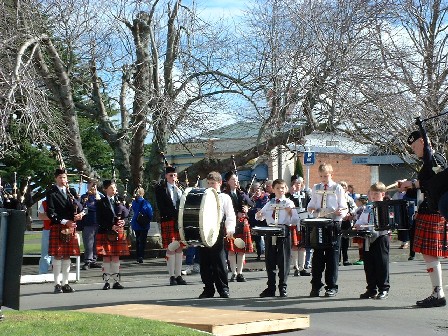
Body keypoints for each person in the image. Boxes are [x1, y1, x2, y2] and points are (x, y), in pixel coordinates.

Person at [396, 130, 448, 308]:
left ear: (421, 142)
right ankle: (437, 291)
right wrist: (410, 185)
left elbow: (437, 181)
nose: (413, 150)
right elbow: (427, 184)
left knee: (430, 254)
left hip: (434, 212)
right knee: (429, 254)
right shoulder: (428, 161)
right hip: (428, 209)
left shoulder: (435, 159)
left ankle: (438, 292)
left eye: (413, 146)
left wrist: (412, 184)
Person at [307, 163, 347, 297]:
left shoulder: (337, 188)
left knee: (332, 257)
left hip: (333, 224)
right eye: (321, 176)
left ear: (331, 175)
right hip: (319, 223)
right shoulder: (316, 187)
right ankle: (316, 285)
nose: (324, 179)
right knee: (317, 257)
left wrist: (340, 212)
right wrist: (311, 209)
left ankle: (331, 286)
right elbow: (312, 204)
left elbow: (344, 206)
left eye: (326, 176)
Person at [256, 178, 300, 298]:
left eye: (282, 188)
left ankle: (282, 287)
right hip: (270, 231)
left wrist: (290, 213)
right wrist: (259, 214)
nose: (280, 190)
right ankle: (271, 287)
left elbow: (295, 219)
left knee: (283, 261)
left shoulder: (288, 202)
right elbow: (261, 216)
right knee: (270, 261)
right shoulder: (270, 203)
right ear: (273, 189)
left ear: (285, 189)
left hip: (282, 231)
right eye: (278, 188)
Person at [46, 168, 84, 294]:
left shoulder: (71, 191)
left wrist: (80, 214)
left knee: (67, 255)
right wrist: (64, 221)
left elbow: (81, 207)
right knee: (57, 254)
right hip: (59, 225)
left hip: (71, 225)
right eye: (60, 178)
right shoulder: (51, 192)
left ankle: (65, 283)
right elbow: (51, 212)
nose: (62, 180)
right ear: (56, 179)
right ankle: (57, 284)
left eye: (64, 177)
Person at [198, 171, 236, 298]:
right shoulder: (203, 196)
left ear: (219, 183)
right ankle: (208, 288)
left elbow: (230, 215)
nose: (210, 186)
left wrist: (230, 229)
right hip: (204, 230)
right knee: (204, 261)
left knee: (219, 260)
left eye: (213, 183)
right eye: (208, 183)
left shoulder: (224, 197)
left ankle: (223, 288)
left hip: (217, 229)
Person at [354, 182, 390, 300]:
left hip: (381, 237)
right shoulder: (367, 208)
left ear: (383, 194)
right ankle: (371, 289)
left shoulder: (386, 207)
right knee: (369, 265)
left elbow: (388, 223)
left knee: (381, 264)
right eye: (372, 193)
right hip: (368, 238)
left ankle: (383, 289)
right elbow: (360, 222)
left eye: (376, 193)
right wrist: (358, 226)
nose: (373, 196)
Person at [154, 166, 187, 286]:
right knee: (171, 248)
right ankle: (171, 276)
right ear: (166, 176)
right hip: (168, 220)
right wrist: (175, 213)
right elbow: (162, 206)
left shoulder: (181, 188)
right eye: (170, 175)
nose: (173, 177)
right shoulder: (160, 189)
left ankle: (178, 276)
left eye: (174, 175)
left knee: (179, 248)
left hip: (179, 222)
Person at [96, 179, 130, 290]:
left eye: (115, 187)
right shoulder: (101, 202)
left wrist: (124, 221)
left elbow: (130, 214)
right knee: (106, 258)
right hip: (106, 232)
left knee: (116, 258)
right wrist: (110, 226)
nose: (114, 189)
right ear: (105, 189)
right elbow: (99, 220)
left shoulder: (120, 201)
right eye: (111, 188)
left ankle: (116, 281)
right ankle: (106, 282)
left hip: (118, 232)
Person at [223, 171, 254, 282]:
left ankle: (240, 273)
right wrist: (236, 213)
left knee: (241, 249)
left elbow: (251, 203)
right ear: (227, 181)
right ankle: (233, 273)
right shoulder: (224, 194)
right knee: (231, 250)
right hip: (231, 224)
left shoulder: (242, 193)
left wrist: (247, 208)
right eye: (233, 180)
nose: (236, 182)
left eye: (236, 180)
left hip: (242, 223)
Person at [286, 175, 311, 276]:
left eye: (299, 184)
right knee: (295, 246)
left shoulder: (306, 195)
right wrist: (290, 194)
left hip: (303, 222)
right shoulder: (289, 196)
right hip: (294, 223)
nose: (297, 186)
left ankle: (302, 267)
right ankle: (295, 267)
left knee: (303, 246)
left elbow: (310, 206)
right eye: (296, 184)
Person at [80, 181, 103, 270]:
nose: (93, 188)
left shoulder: (99, 197)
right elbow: (84, 208)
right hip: (88, 223)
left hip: (98, 223)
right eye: (91, 186)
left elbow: (101, 206)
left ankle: (94, 260)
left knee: (95, 244)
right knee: (88, 243)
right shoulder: (84, 197)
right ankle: (88, 261)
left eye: (94, 186)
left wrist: (97, 195)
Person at [130, 187, 153, 264]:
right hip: (143, 224)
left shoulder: (133, 202)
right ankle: (141, 256)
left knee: (137, 240)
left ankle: (137, 255)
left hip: (135, 223)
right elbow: (150, 213)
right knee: (142, 241)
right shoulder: (145, 202)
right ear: (143, 193)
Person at [247, 182, 269, 260]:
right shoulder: (251, 199)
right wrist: (256, 210)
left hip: (264, 221)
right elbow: (249, 211)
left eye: (258, 189)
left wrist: (257, 210)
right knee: (257, 238)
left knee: (267, 238)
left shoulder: (265, 197)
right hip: (254, 221)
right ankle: (259, 254)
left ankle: (267, 254)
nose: (257, 191)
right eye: (255, 189)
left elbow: (264, 208)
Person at [339, 181, 357, 266]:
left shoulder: (348, 198)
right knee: (337, 240)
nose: (342, 188)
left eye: (344, 186)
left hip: (346, 221)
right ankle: (337, 260)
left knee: (345, 241)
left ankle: (345, 259)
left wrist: (350, 214)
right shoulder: (335, 197)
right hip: (338, 221)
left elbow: (354, 208)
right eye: (341, 186)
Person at [352, 195, 368, 265]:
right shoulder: (360, 208)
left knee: (361, 244)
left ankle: (362, 258)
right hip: (359, 227)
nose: (356, 202)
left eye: (357, 201)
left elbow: (359, 218)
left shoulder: (361, 209)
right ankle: (362, 258)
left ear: (360, 201)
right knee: (360, 244)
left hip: (360, 228)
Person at [38, 200, 52, 274]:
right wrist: (54, 216)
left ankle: (57, 272)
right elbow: (40, 216)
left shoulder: (63, 200)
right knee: (45, 253)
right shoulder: (45, 203)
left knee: (58, 254)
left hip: (59, 229)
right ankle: (43, 272)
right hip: (47, 229)